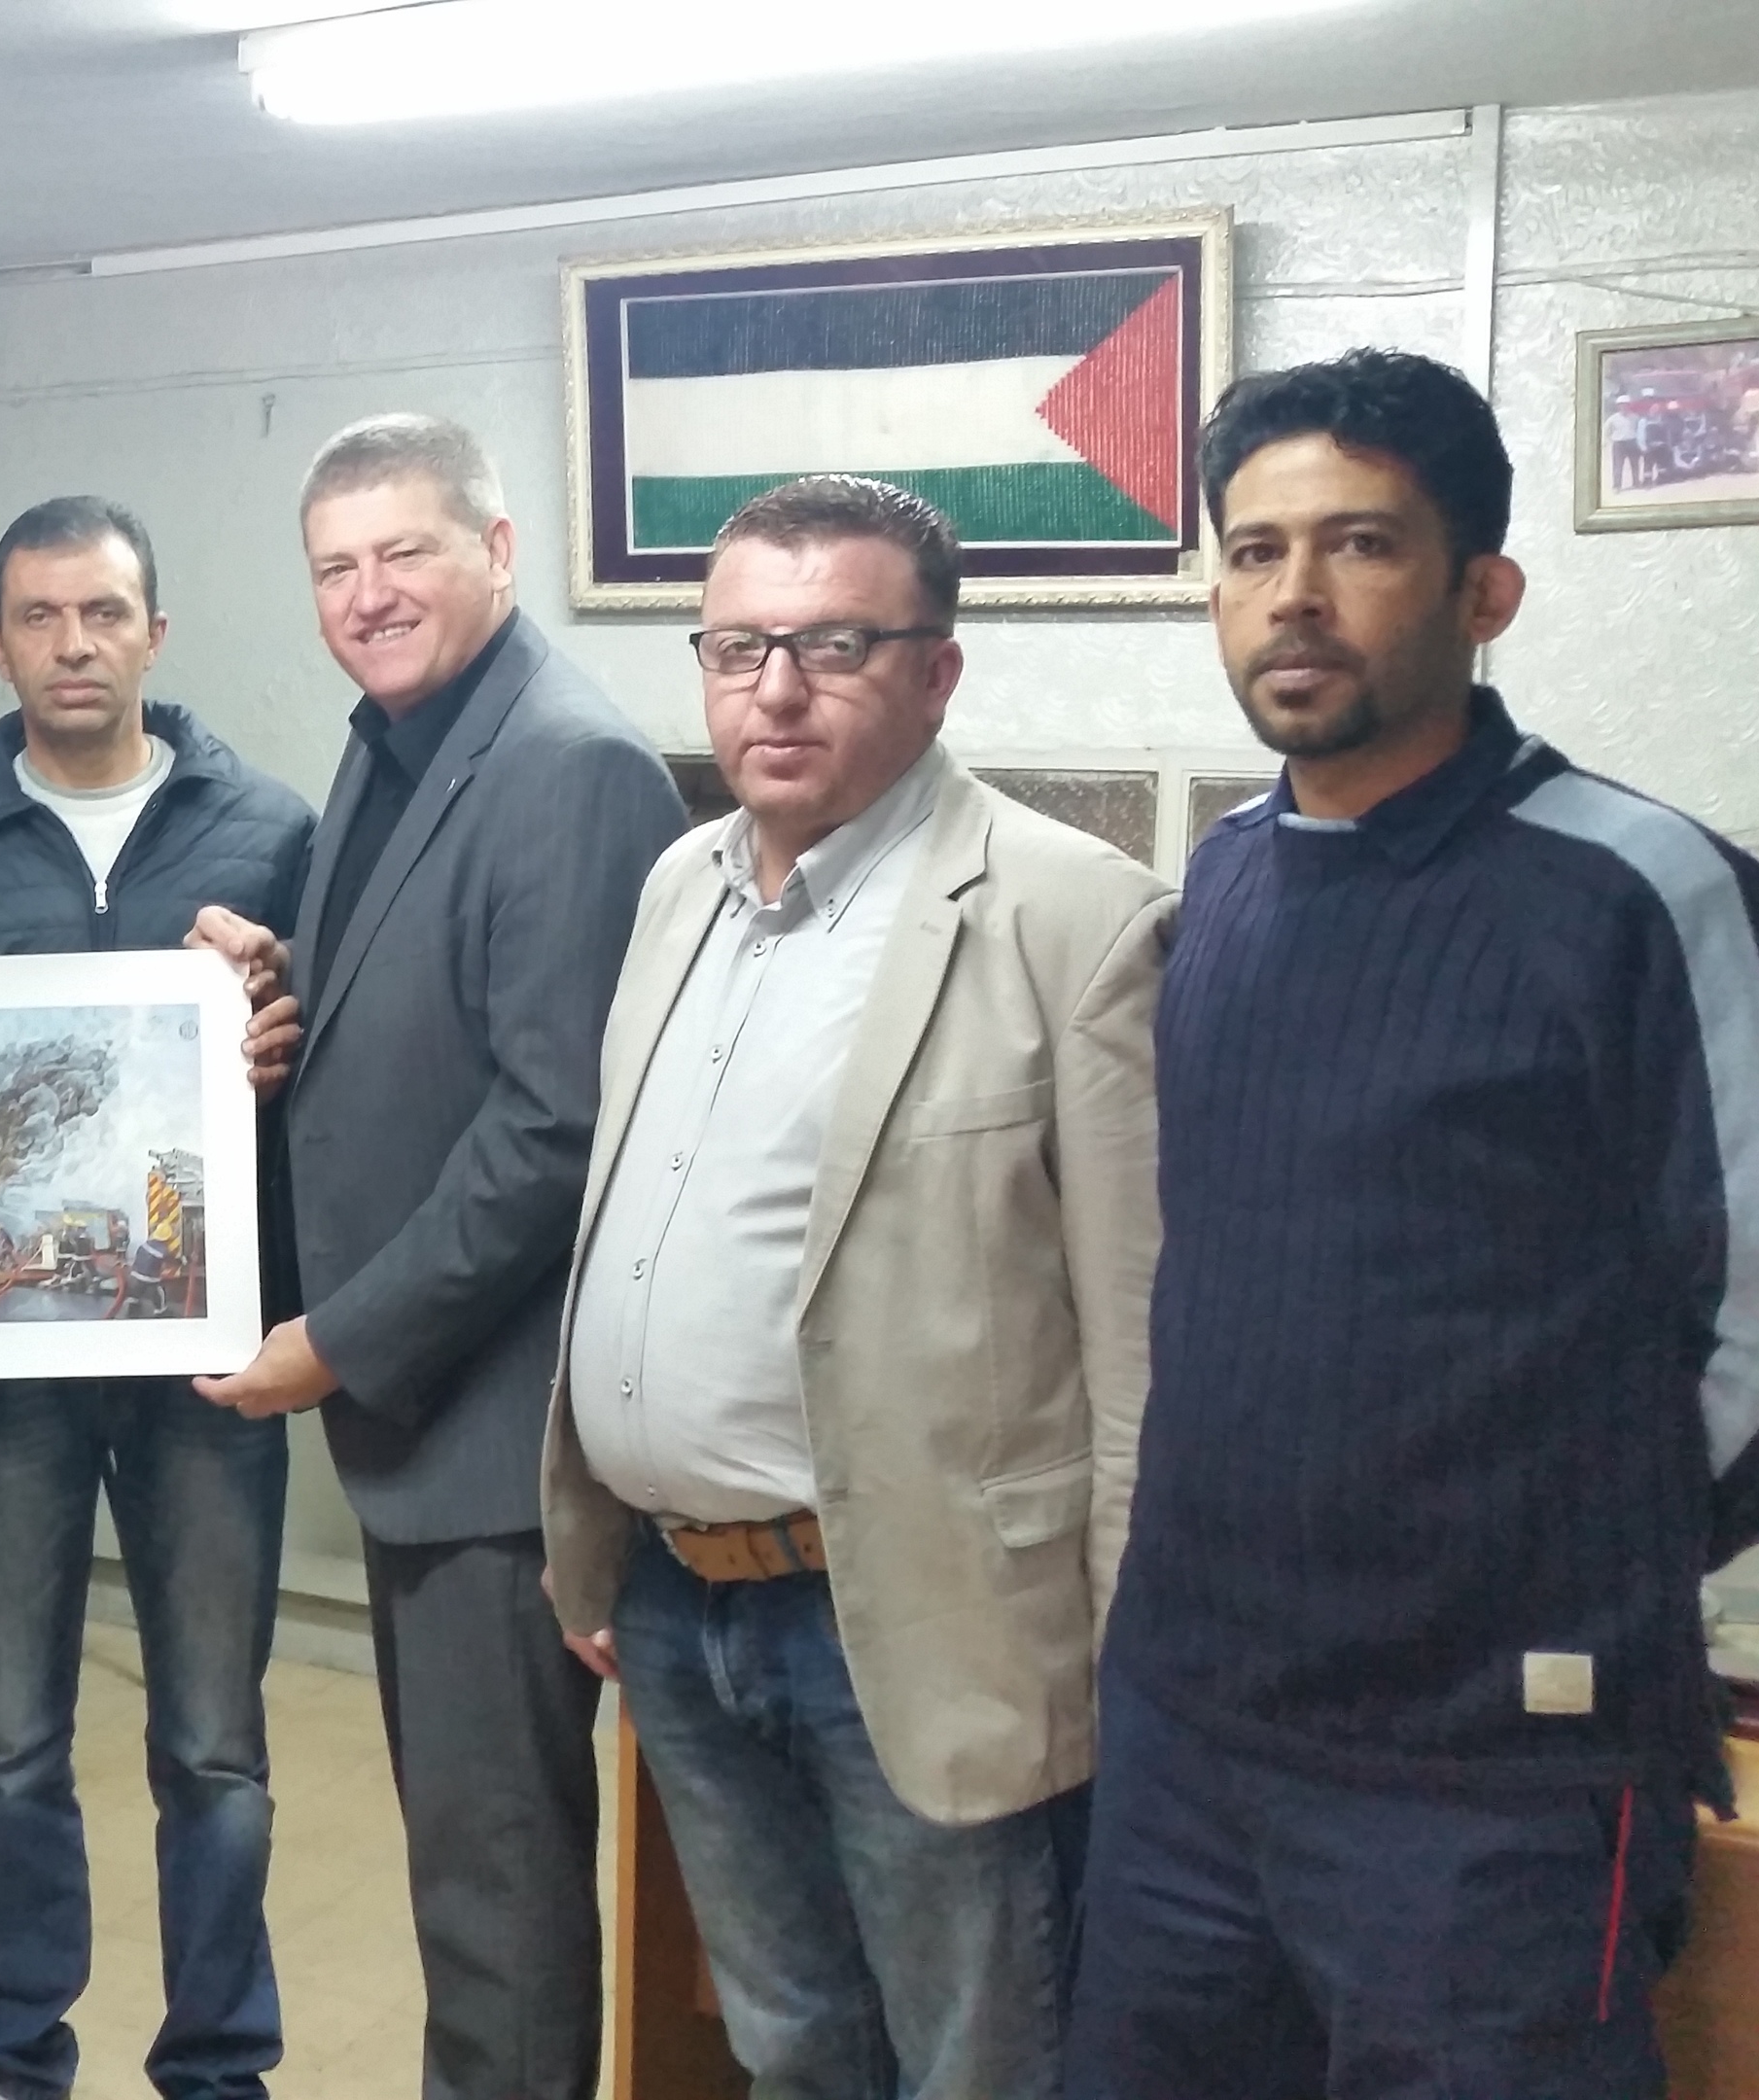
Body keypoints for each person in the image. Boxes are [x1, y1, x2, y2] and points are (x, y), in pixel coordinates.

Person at [1073, 348, 1759, 2098]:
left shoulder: (1638, 887)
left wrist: (1565, 1564)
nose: (1293, 598)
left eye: (1360, 545)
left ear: (1485, 592)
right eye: (1251, 552)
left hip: (1491, 1775)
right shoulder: (1226, 877)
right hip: (1195, 1727)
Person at [540, 474, 1172, 2099]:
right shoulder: (682, 887)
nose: (776, 690)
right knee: (789, 2043)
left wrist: (1127, 1660)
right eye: (738, 645)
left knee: (980, 2054)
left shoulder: (1073, 919)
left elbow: (1138, 1358)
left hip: (925, 1617)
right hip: (681, 1606)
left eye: (834, 645)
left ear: (939, 670)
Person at [185, 413, 685, 2100]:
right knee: (471, 1876)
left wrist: (331, 1341)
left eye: (406, 551)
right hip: (428, 1450)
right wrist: (283, 981)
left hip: (491, 1455)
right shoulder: (399, 742)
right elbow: (440, 1008)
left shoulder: (564, 763)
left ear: (499, 552)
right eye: (336, 565)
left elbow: (549, 1133)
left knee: (498, 1895)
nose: (369, 592)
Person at [0, 497, 315, 2100]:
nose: (73, 645)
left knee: (214, 1747)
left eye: (103, 613)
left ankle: (220, 2067)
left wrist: (283, 1032)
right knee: (13, 1733)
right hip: (4, 1373)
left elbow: (343, 1076)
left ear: (155, 633)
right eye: (39, 617)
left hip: (209, 1366)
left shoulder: (275, 834)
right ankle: (12, 2054)